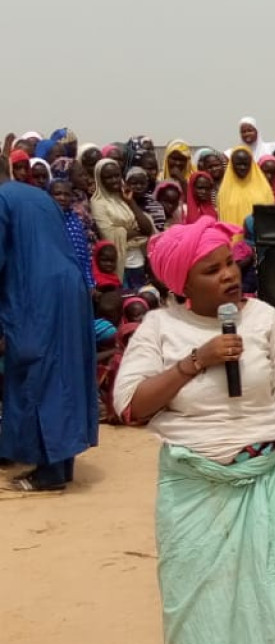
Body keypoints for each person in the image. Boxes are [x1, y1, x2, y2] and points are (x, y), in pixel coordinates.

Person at [112, 217, 275, 644]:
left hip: (267, 478)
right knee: (199, 609)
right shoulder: (159, 328)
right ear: (183, 284)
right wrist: (195, 361)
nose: (228, 275)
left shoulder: (264, 318)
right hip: (194, 489)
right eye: (212, 270)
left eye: (230, 263)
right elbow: (131, 405)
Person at [0, 161, 97, 492]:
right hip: (69, 288)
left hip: (35, 294)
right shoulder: (37, 195)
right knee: (62, 372)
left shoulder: (3, 200)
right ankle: (61, 463)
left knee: (39, 374)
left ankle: (51, 472)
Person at [91, 159, 155, 290]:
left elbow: (147, 228)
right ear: (100, 179)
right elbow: (108, 234)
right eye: (108, 177)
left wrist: (130, 202)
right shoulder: (98, 203)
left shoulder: (123, 197)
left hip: (138, 261)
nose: (114, 180)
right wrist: (137, 231)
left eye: (117, 175)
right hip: (120, 265)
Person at [50, 179, 95, 290]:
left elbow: (83, 256)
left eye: (67, 195)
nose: (62, 198)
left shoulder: (75, 220)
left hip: (76, 279)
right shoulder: (43, 219)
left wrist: (90, 283)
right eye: (57, 194)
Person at [217, 146, 275, 228]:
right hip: (232, 235)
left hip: (257, 234)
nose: (242, 168)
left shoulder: (264, 189)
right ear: (232, 165)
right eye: (238, 164)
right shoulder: (225, 192)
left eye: (245, 164)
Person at [126, 166, 166, 233]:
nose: (138, 186)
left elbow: (159, 229)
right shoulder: (122, 204)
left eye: (142, 183)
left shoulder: (155, 205)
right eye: (134, 183)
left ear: (147, 184)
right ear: (127, 185)